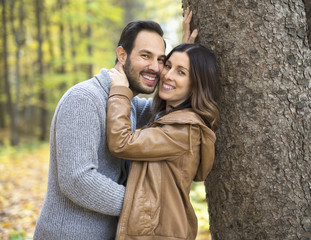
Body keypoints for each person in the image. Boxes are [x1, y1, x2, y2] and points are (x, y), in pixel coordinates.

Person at [34, 8, 198, 239]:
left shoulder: (126, 102)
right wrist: (145, 206)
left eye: (161, 60)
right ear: (122, 55)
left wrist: (183, 59)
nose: (155, 67)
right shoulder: (84, 99)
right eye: (145, 56)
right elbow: (77, 180)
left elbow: (167, 111)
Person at [106, 43, 220, 240]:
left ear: (196, 84)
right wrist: (187, 47)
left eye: (181, 72)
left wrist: (119, 91)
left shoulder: (184, 130)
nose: (167, 75)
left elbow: (121, 142)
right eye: (168, 66)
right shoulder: (170, 117)